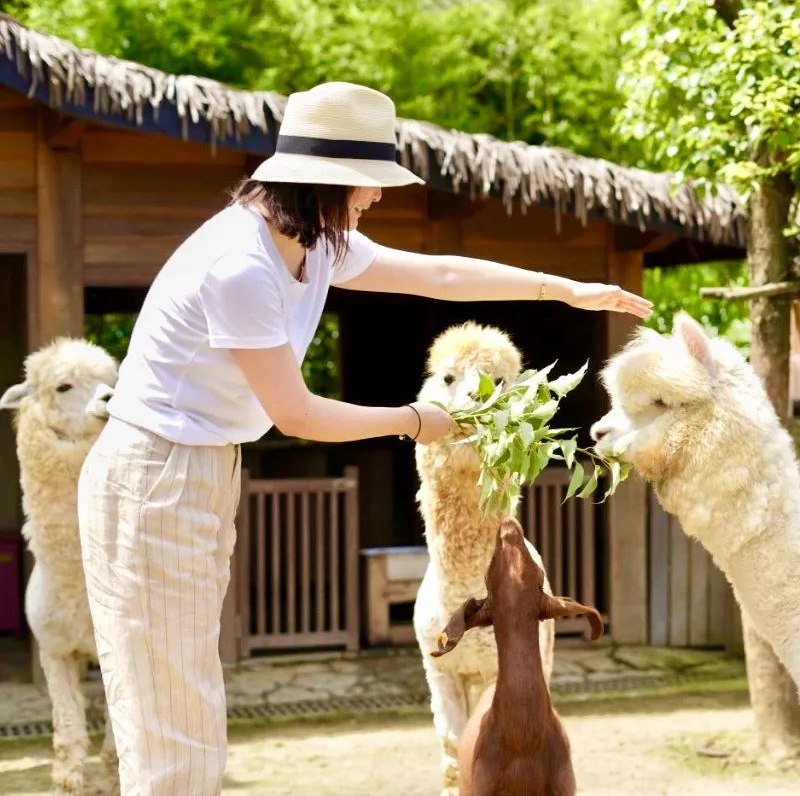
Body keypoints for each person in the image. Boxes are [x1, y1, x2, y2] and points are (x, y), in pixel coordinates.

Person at [77, 81, 652, 796]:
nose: (376, 195)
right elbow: (297, 414)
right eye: (368, 181)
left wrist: (562, 288)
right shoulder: (241, 266)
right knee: (173, 713)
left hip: (200, 466)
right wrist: (416, 420)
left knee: (183, 697)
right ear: (325, 180)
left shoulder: (314, 246)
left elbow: (438, 274)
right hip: (156, 472)